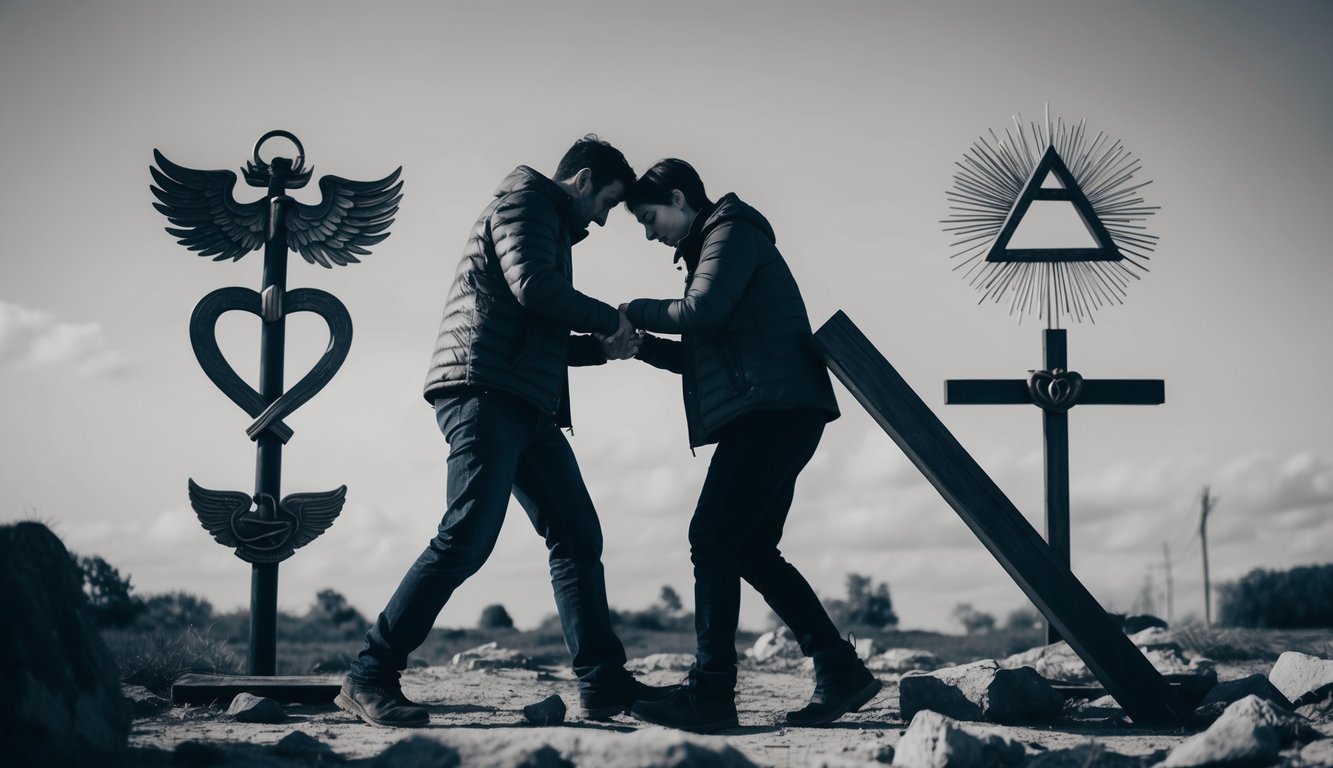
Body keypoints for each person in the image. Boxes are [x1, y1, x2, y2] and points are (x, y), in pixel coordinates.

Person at [338, 136, 670, 727]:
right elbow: (536, 291)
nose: (602, 219)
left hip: (523, 399)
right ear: (584, 179)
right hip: (482, 391)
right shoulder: (526, 202)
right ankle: (369, 673)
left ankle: (604, 684)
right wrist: (609, 319)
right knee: (467, 534)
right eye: (608, 204)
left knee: (576, 534)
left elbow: (539, 328)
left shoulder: (548, 225)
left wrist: (607, 347)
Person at [618, 159, 881, 732]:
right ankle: (840, 670)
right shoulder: (710, 247)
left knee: (710, 537)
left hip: (773, 412)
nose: (647, 232)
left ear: (680, 199)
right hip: (775, 410)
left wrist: (630, 310)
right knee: (752, 549)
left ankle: (711, 692)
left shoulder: (731, 234)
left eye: (648, 217)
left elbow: (700, 315)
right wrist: (639, 346)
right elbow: (700, 352)